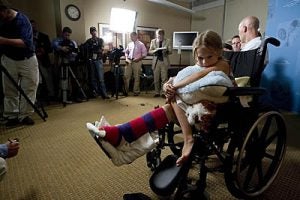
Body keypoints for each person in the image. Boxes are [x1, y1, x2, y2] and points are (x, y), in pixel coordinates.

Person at [87, 30, 233, 167]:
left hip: (215, 106)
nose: (204, 62)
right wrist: (168, 85)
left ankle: (186, 138)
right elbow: (186, 74)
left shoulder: (222, 64)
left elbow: (199, 75)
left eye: (209, 57)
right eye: (200, 58)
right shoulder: (200, 63)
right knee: (167, 107)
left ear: (219, 52)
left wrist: (175, 86)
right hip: (188, 104)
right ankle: (125, 145)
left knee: (173, 99)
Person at [0, 0, 39, 127]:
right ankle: (12, 116)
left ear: (5, 10)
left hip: (27, 58)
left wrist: (3, 40)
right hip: (8, 58)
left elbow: (25, 43)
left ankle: (25, 115)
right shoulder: (2, 20)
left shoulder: (22, 20)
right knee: (9, 89)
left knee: (30, 87)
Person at [52, 26, 83, 103]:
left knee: (74, 79)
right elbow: (54, 45)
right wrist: (62, 48)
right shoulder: (57, 40)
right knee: (62, 80)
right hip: (61, 63)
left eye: (68, 35)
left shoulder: (72, 42)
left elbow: (76, 52)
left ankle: (75, 96)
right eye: (66, 35)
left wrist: (71, 51)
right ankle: (62, 97)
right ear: (62, 34)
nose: (67, 36)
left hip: (72, 63)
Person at [30, 19, 55, 99]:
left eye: (34, 25)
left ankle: (51, 95)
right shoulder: (27, 36)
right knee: (34, 79)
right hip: (32, 61)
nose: (33, 27)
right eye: (31, 26)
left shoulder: (44, 36)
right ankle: (36, 96)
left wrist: (43, 50)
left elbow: (50, 49)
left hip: (43, 61)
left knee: (48, 78)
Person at [83, 26, 109, 99]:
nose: (94, 32)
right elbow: (85, 49)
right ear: (90, 32)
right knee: (93, 78)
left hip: (98, 60)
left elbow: (101, 49)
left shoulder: (100, 40)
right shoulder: (88, 41)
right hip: (91, 60)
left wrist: (98, 49)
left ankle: (104, 93)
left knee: (101, 78)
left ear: (96, 32)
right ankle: (96, 93)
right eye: (92, 31)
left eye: (94, 31)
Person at [149, 28, 172, 98]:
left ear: (163, 35)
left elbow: (170, 51)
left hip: (164, 61)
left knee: (164, 79)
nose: (160, 37)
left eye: (161, 36)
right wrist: (155, 51)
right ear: (156, 35)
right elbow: (150, 51)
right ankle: (157, 92)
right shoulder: (153, 41)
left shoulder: (167, 41)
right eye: (158, 36)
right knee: (156, 78)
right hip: (156, 62)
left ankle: (163, 93)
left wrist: (166, 51)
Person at [124, 32, 147, 96]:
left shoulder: (141, 44)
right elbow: (126, 52)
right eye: (130, 36)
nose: (131, 38)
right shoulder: (129, 44)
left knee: (136, 77)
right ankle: (126, 91)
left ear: (136, 36)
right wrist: (126, 58)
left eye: (132, 36)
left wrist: (138, 59)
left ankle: (136, 91)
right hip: (129, 61)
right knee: (126, 76)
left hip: (137, 61)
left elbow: (145, 54)